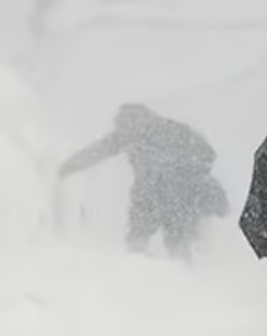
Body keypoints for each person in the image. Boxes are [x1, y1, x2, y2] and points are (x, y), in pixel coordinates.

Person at [58, 103, 227, 260]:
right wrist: (67, 167)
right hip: (155, 194)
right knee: (142, 237)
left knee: (176, 239)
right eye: (121, 128)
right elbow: (99, 150)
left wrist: (183, 172)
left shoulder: (171, 132)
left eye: (124, 128)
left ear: (138, 123)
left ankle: (187, 277)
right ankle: (143, 272)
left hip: (181, 195)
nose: (121, 133)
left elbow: (206, 155)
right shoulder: (131, 136)